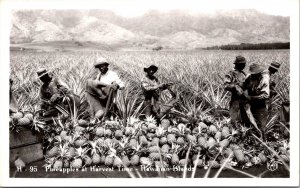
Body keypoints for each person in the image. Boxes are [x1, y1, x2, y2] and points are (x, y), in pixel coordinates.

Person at [243, 63, 270, 138]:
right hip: (250, 104)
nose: (254, 75)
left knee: (262, 127)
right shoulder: (248, 77)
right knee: (248, 124)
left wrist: (252, 98)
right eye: (253, 74)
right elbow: (244, 87)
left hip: (260, 104)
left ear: (260, 72)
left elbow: (266, 95)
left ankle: (263, 140)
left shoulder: (264, 79)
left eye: (256, 73)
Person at [224, 55, 247, 125]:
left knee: (244, 120)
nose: (244, 66)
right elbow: (226, 85)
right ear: (238, 64)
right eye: (243, 64)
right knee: (234, 120)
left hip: (244, 99)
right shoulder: (231, 73)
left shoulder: (243, 73)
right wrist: (235, 86)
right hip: (235, 100)